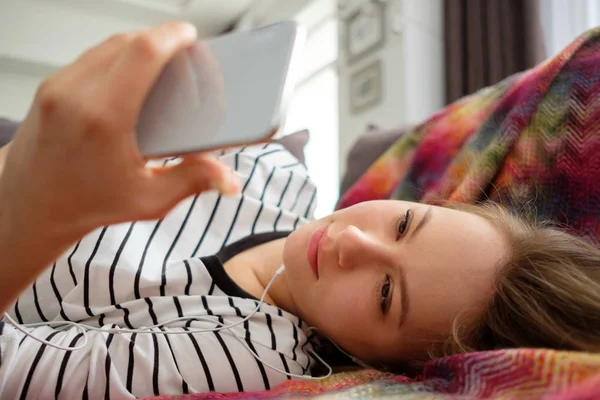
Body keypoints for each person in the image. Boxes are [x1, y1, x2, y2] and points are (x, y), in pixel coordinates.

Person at [1, 21, 600, 399]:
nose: (354, 245)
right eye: (402, 224)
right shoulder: (274, 170)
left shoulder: (244, 354)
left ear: (375, 359)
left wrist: (31, 201)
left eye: (386, 294)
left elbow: (15, 369)